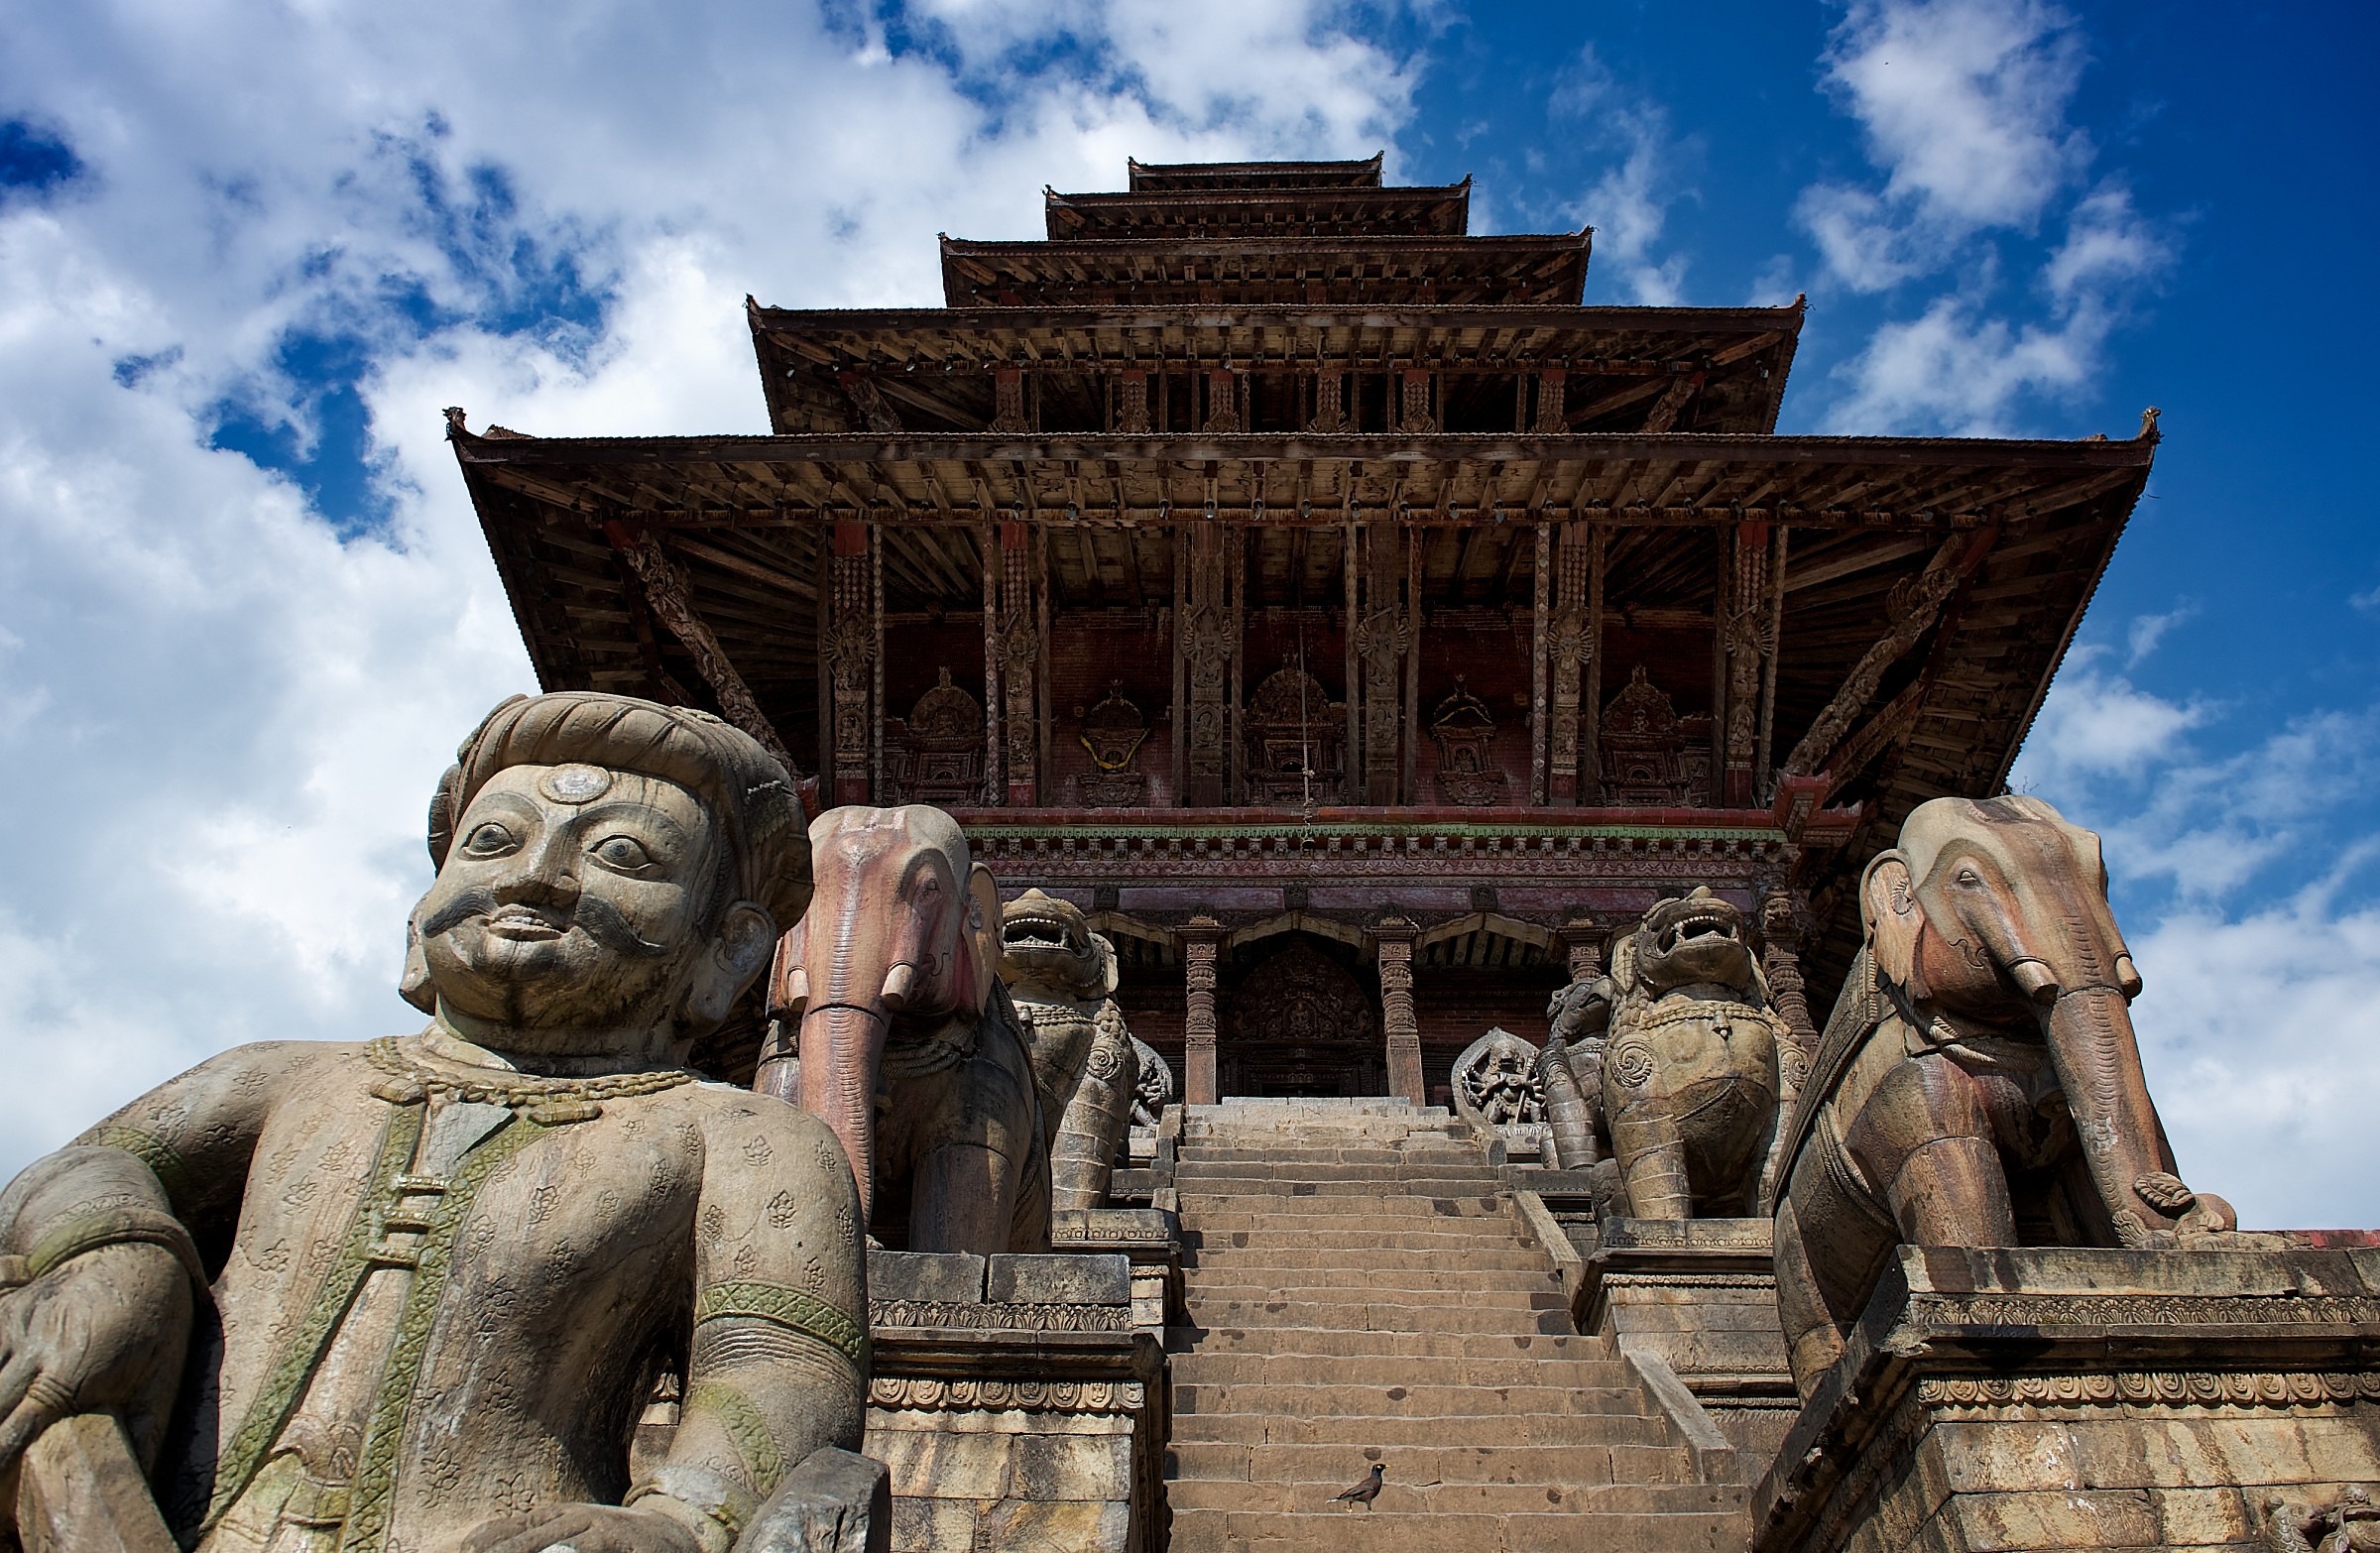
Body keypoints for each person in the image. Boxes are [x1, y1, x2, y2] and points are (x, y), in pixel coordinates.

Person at [0, 692, 865, 1553]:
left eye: (621, 855)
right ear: (421, 910)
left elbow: (779, 1361)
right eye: (493, 842)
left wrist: (680, 1522)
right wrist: (112, 1254)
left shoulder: (747, 1140)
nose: (535, 876)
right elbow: (92, 1166)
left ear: (730, 947)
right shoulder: (282, 1076)